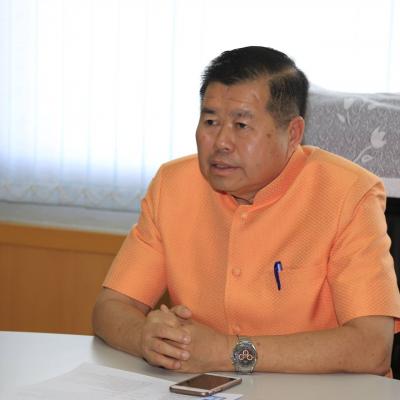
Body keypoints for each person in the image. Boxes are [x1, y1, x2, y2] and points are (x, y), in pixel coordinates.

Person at [92, 46, 400, 376]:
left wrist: (228, 352)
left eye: (241, 125)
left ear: (293, 133)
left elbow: (373, 347)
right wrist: (145, 338)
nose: (221, 142)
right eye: (211, 121)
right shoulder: (173, 185)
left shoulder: (348, 194)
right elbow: (110, 307)